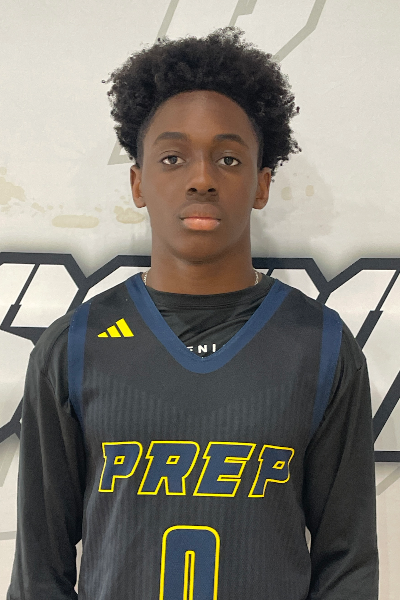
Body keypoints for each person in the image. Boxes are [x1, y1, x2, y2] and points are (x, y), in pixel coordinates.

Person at [8, 27, 378, 599]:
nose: (202, 178)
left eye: (228, 159)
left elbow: (347, 564)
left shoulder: (322, 346)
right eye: (173, 158)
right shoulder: (74, 346)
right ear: (138, 182)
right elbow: (40, 573)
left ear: (261, 184)